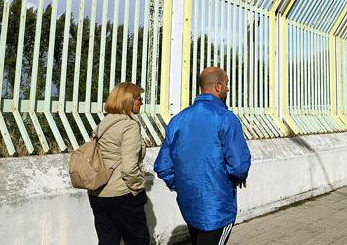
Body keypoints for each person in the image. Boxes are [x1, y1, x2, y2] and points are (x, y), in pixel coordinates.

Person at [154, 67, 251, 245]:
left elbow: (163, 166)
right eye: (227, 84)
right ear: (219, 86)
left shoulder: (179, 120)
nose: (228, 89)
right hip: (217, 208)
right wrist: (239, 177)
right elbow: (238, 166)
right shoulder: (226, 119)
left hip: (189, 204)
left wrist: (183, 185)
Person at [88, 82, 150, 245]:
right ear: (128, 100)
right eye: (139, 98)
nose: (141, 102)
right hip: (121, 193)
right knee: (138, 239)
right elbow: (129, 168)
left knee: (108, 240)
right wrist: (138, 188)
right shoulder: (129, 125)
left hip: (98, 193)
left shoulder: (104, 122)